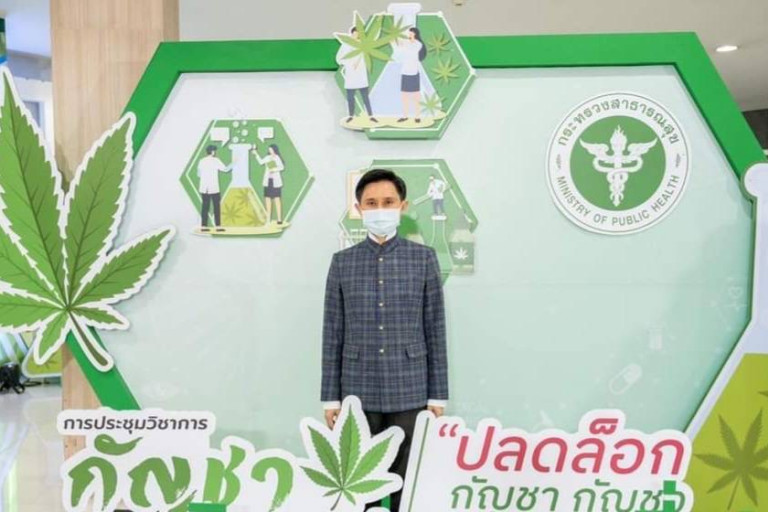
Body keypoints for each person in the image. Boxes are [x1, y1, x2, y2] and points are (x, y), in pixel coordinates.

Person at [321, 169, 448, 511]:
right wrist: (330, 398)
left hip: (411, 386)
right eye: (372, 202)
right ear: (359, 208)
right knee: (364, 477)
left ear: (402, 206)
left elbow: (435, 327)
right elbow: (333, 331)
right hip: (357, 387)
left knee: (407, 477)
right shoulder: (342, 262)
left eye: (388, 202)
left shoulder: (423, 258)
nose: (380, 209)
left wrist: (438, 395)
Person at [337, 26, 378, 123]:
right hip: (351, 75)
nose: (357, 35)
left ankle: (371, 116)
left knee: (365, 97)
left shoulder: (363, 45)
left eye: (358, 34)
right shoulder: (346, 45)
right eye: (355, 33)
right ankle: (351, 116)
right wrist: (349, 63)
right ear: (351, 34)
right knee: (350, 97)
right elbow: (339, 59)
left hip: (361, 75)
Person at [391, 27, 427, 123]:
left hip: (414, 72)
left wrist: (402, 43)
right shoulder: (406, 42)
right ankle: (405, 116)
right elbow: (398, 48)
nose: (409, 34)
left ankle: (417, 116)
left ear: (415, 33)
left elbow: (410, 49)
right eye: (409, 33)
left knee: (416, 96)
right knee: (404, 96)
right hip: (405, 72)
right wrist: (393, 41)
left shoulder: (418, 44)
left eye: (411, 32)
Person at [197, 144, 233, 232]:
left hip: (204, 187)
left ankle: (204, 226)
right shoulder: (216, 160)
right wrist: (233, 163)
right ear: (212, 152)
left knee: (205, 207)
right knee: (216, 207)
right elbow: (225, 169)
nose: (215, 152)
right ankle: (218, 226)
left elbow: (198, 174)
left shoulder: (201, 161)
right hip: (214, 187)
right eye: (215, 151)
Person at [252, 144, 286, 225]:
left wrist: (274, 169)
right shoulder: (267, 157)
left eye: (271, 150)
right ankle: (268, 219)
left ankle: (279, 219)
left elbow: (282, 167)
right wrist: (256, 154)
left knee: (277, 199)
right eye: (269, 150)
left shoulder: (277, 157)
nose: (270, 151)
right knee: (267, 199)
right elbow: (261, 162)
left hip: (275, 182)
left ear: (274, 150)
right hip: (268, 181)